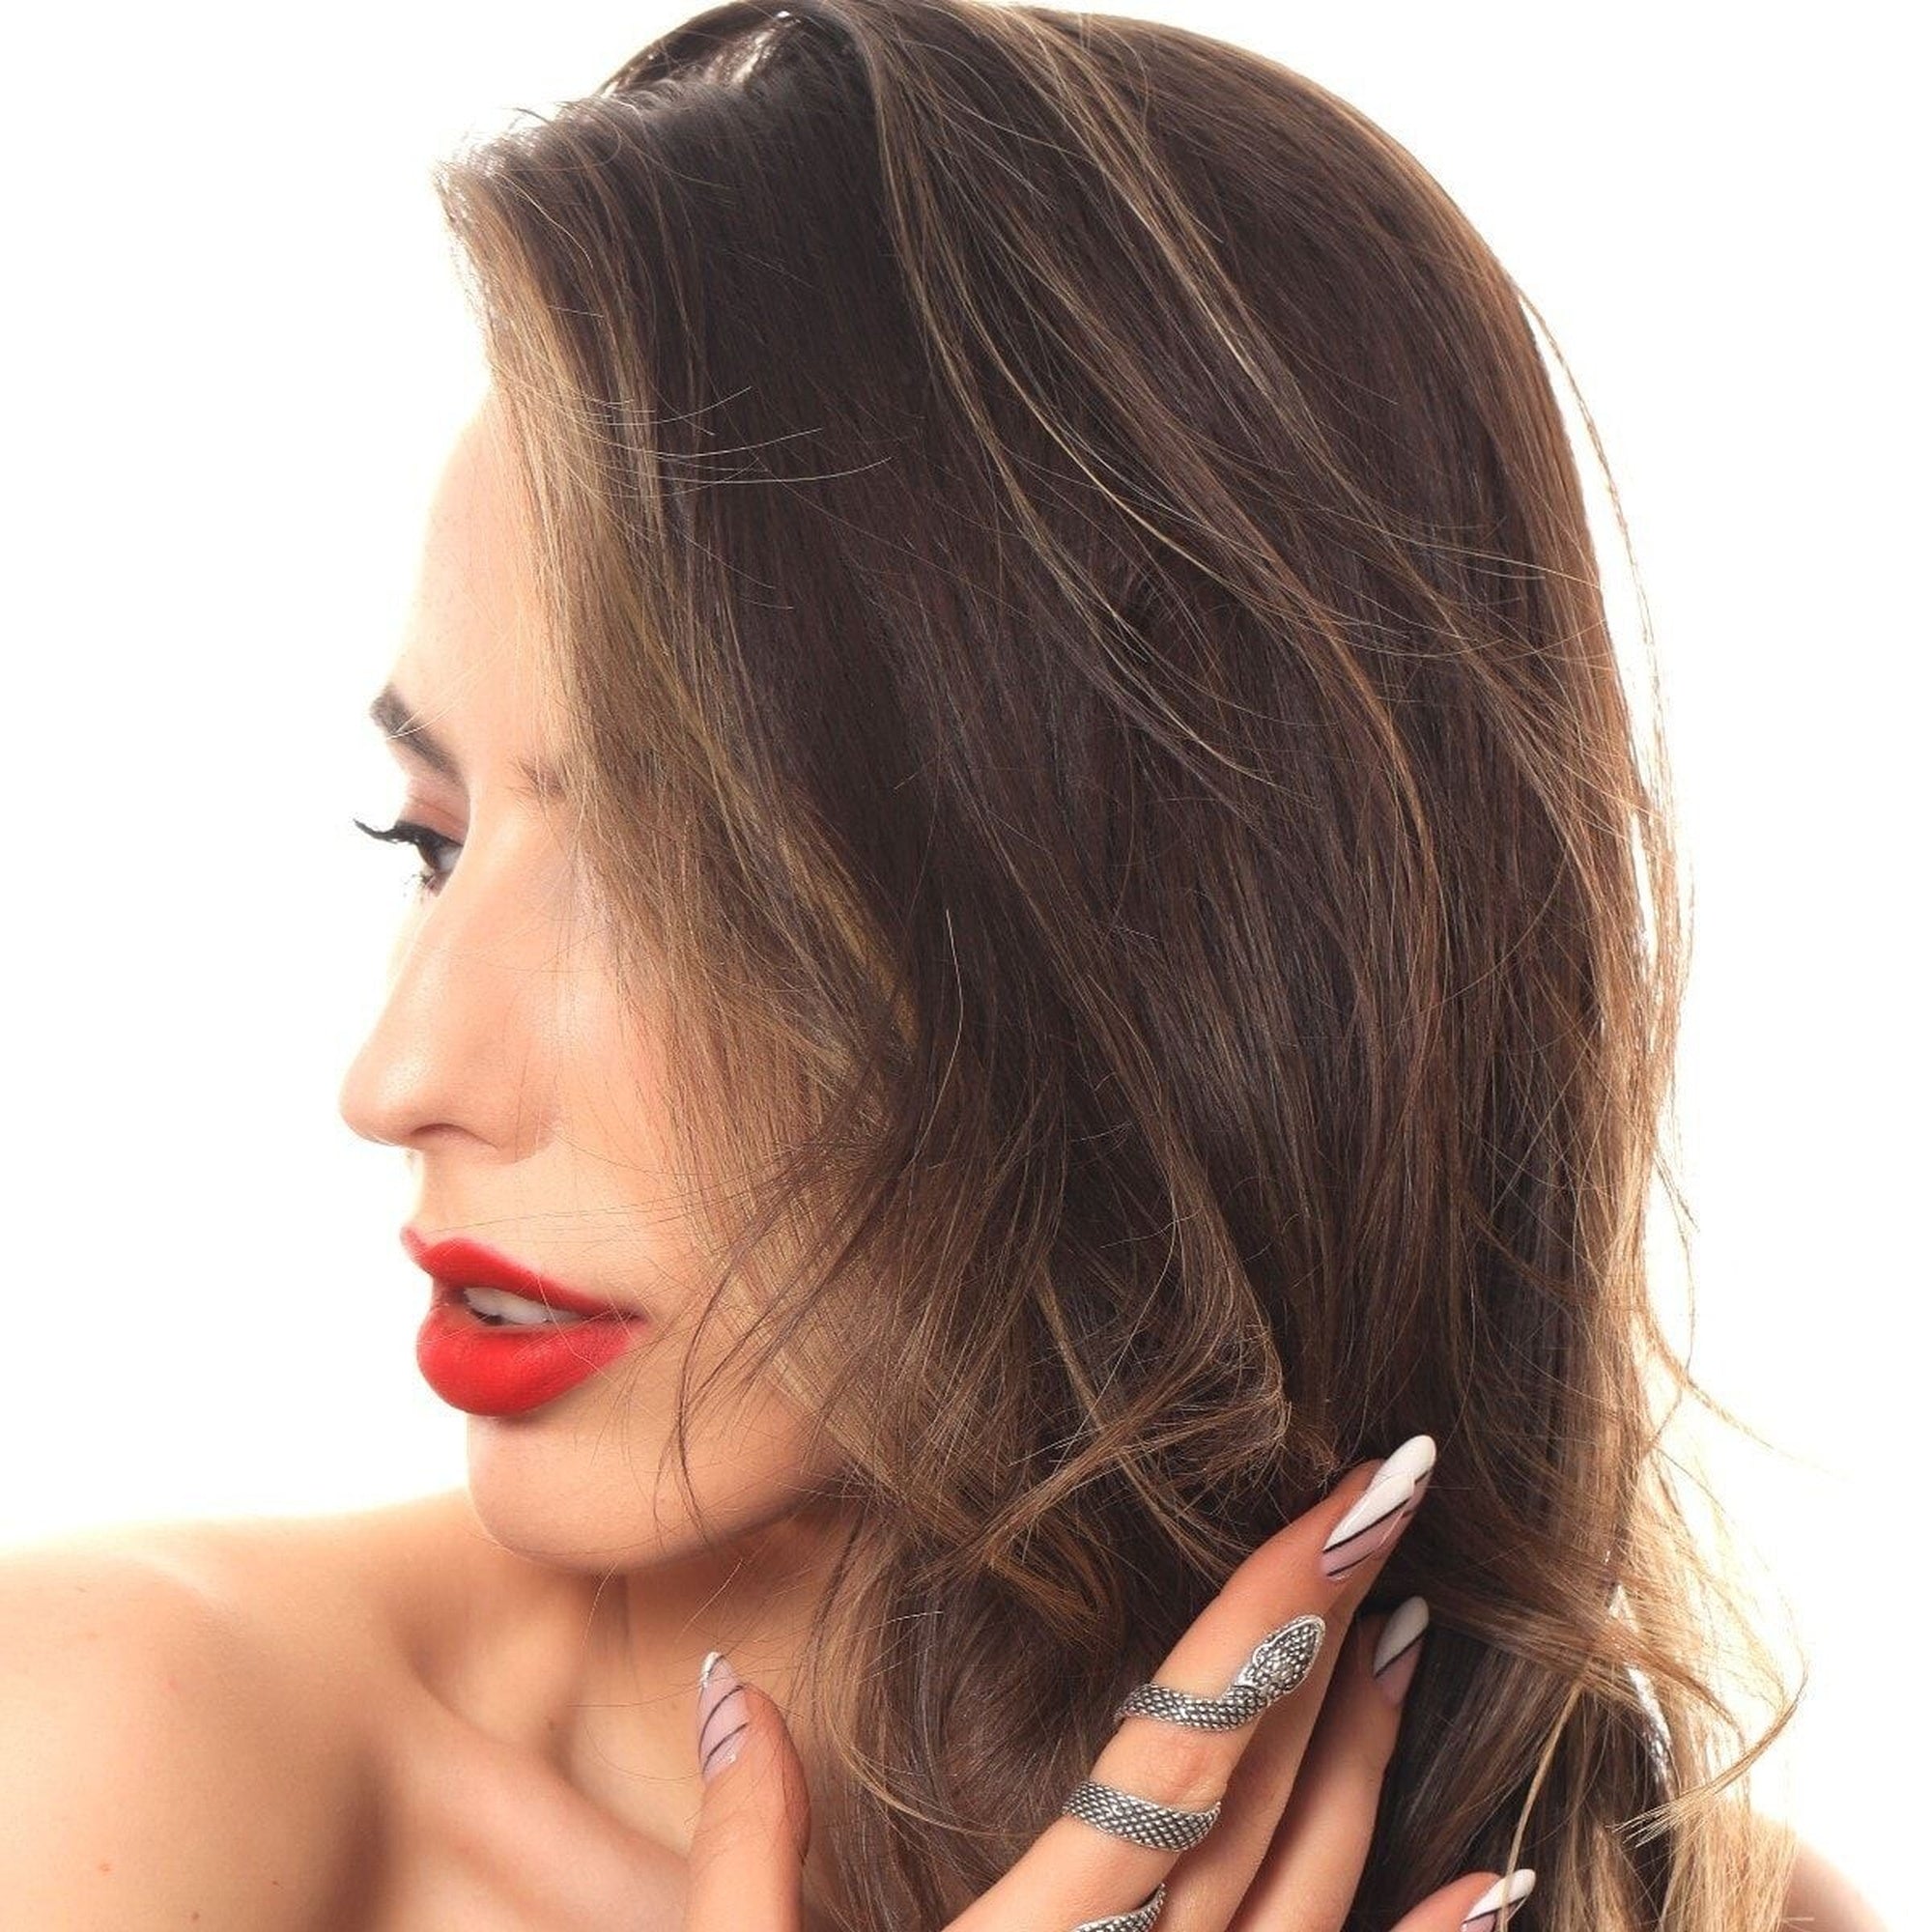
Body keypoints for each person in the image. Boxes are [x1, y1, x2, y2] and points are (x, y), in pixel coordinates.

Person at [0, 1, 1888, 1928]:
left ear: (1176, 941)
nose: (400, 1073)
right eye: (432, 840)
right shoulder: (107, 1755)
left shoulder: (1681, 1906)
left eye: (686, 876)